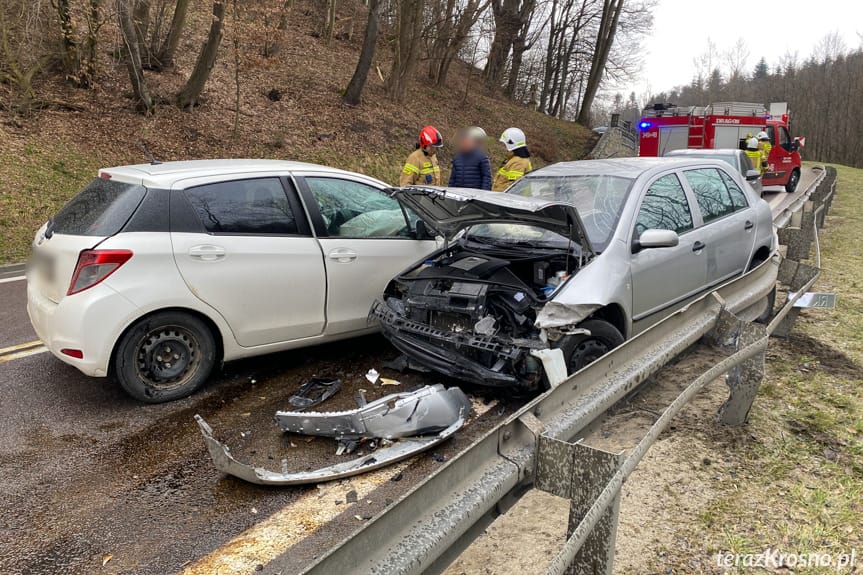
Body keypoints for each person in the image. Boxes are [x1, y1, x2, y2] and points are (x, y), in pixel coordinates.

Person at [492, 127, 532, 192]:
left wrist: (496, 192)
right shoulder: (513, 160)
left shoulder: (519, 162)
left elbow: (514, 187)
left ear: (511, 144)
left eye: (505, 145)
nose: (503, 147)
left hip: (507, 200)